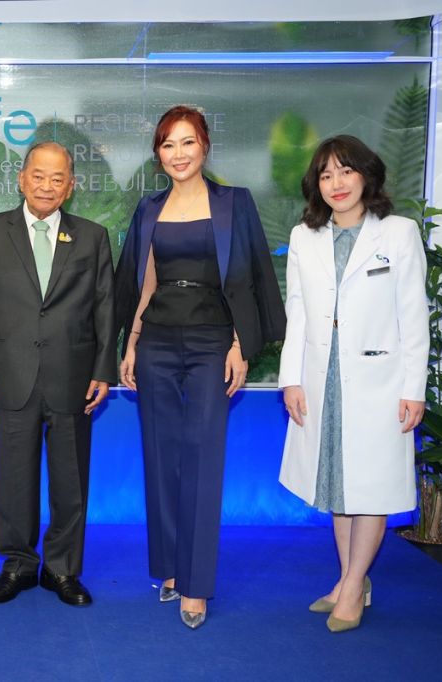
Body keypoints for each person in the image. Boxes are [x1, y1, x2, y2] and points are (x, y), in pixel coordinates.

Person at [114, 105, 286, 629]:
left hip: (214, 342)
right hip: (157, 341)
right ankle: (169, 567)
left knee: (203, 456)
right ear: (158, 154)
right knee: (160, 455)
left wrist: (240, 344)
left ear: (205, 146)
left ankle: (196, 584)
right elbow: (143, 283)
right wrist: (131, 343)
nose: (179, 153)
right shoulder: (149, 208)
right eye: (168, 144)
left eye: (187, 142)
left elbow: (252, 275)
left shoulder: (235, 203)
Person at [278, 135, 428, 633]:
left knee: (371, 486)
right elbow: (297, 311)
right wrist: (291, 379)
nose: (336, 184)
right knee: (337, 486)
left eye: (346, 171)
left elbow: (413, 314)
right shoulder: (305, 237)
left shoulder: (399, 233)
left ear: (367, 175)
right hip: (322, 379)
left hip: (381, 382)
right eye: (326, 175)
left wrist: (414, 387)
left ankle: (352, 586)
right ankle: (350, 580)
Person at [0, 141, 116, 607]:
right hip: (7, 375)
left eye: (57, 178)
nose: (47, 185)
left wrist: (103, 370)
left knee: (71, 481)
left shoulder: (92, 236)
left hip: (73, 376)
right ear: (22, 179)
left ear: (70, 186)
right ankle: (18, 565)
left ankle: (63, 569)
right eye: (39, 176)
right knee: (13, 479)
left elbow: (105, 308)